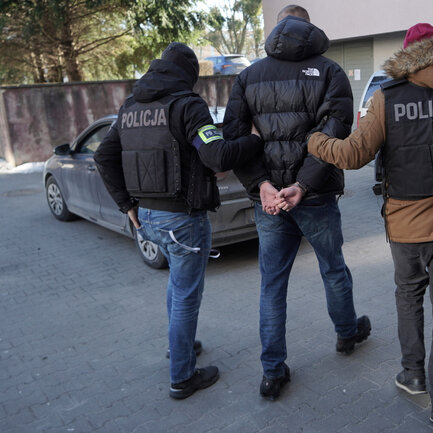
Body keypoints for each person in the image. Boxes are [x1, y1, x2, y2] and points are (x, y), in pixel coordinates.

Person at [308, 24, 433, 425]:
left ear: (407, 57)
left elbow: (353, 155)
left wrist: (313, 140)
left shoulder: (388, 97)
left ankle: (413, 374)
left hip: (406, 226)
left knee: (408, 297)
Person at [94, 42, 263, 400]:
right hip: (182, 220)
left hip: (148, 218)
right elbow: (217, 156)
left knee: (176, 285)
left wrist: (126, 204)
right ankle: (182, 378)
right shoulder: (187, 105)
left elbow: (103, 157)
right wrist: (254, 141)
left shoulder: (130, 107)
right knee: (186, 295)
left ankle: (180, 346)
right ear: (188, 74)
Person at [222, 4, 371, 401]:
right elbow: (335, 132)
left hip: (270, 200)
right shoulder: (330, 71)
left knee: (272, 284)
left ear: (278, 29)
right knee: (333, 268)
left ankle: (272, 372)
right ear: (309, 29)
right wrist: (303, 185)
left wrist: (261, 185)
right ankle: (347, 334)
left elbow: (234, 139)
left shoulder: (248, 76)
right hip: (316, 195)